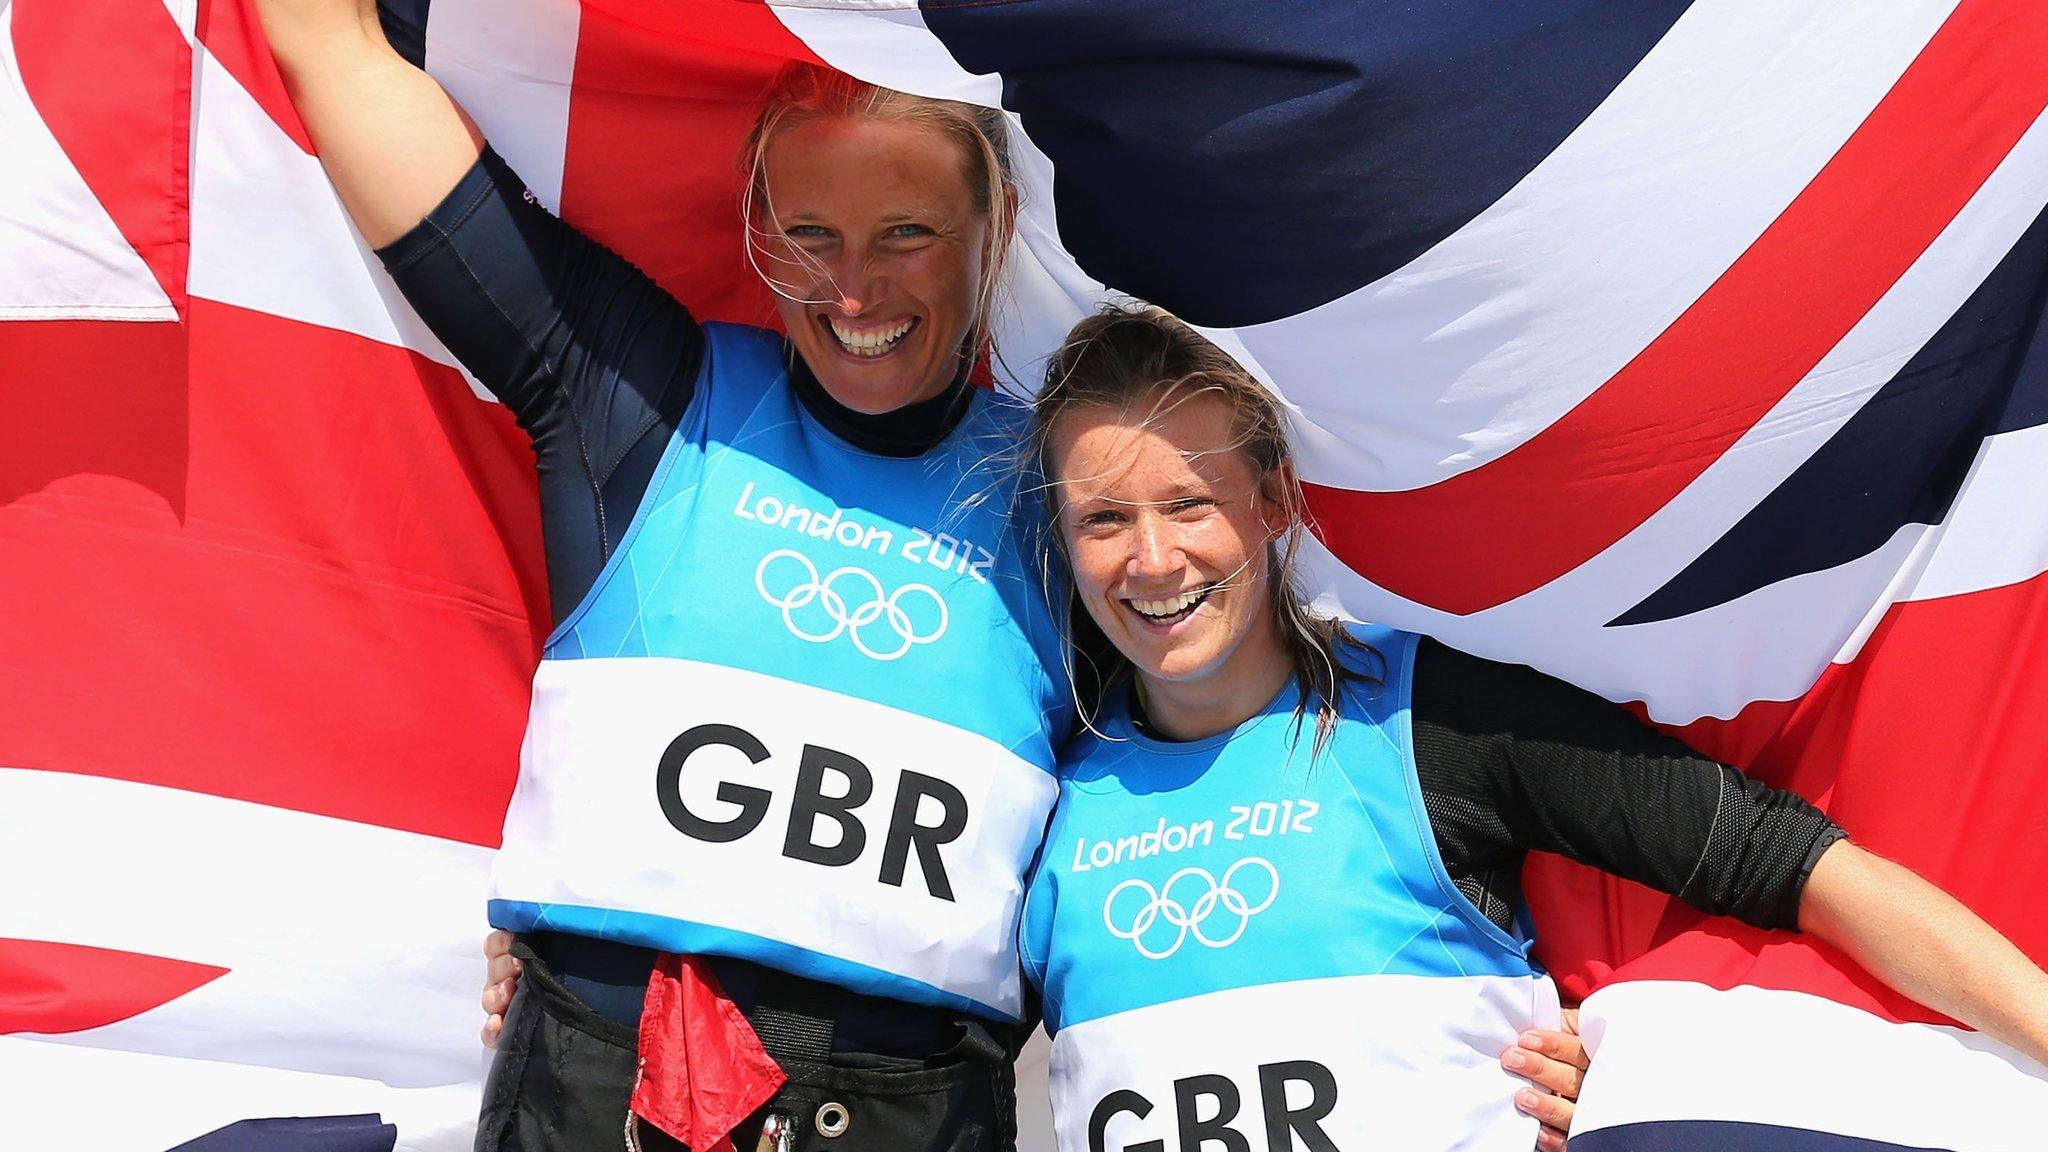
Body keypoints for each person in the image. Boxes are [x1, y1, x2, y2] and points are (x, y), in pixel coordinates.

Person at [254, 5, 1072, 1148]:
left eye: (905, 234)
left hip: (910, 1108)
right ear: (753, 227)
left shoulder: (1082, 494)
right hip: (597, 1088)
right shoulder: (643, 406)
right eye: (808, 234)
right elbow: (336, 54)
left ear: (993, 227)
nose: (852, 290)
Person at [1020, 304, 2048, 1152]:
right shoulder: (1042, 801)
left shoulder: (1426, 724)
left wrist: (1634, 1047)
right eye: (1102, 520)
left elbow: (1788, 861)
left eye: (1190, 504)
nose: (1151, 561)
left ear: (1275, 501)